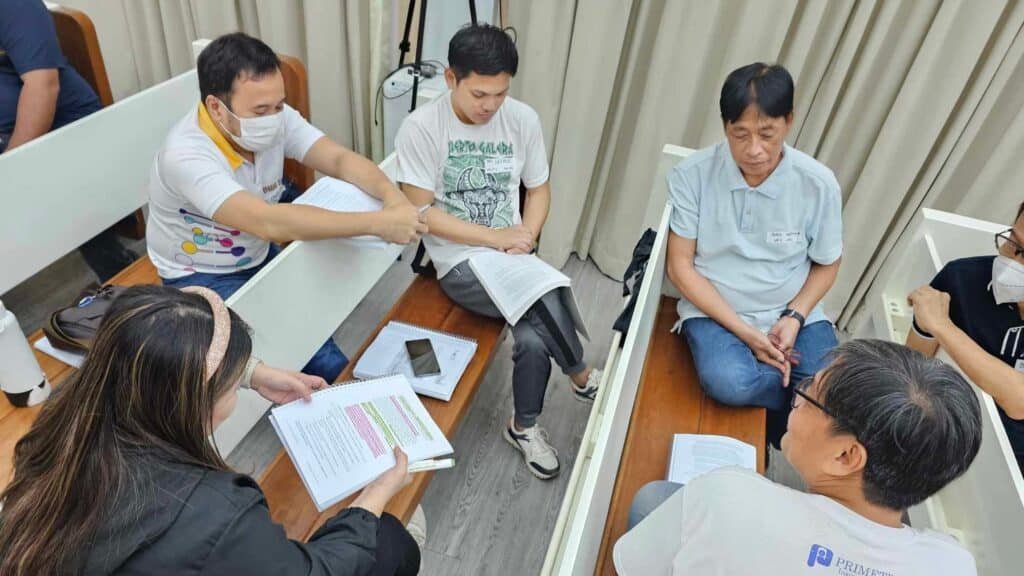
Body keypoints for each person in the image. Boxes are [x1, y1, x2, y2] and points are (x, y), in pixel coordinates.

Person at [0, 285, 421, 575]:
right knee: (399, 534)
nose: (238, 389)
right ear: (193, 400)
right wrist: (375, 495)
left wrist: (253, 374)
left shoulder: (68, 414)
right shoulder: (214, 514)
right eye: (231, 383)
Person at [148, 32, 427, 384]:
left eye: (279, 104)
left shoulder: (275, 118)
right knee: (275, 353)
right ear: (216, 107)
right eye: (261, 110)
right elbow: (268, 222)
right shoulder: (186, 155)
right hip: (199, 272)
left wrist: (393, 197)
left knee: (312, 340)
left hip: (257, 251)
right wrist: (377, 223)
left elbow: (338, 159)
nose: (274, 116)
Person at [394, 24, 601, 481]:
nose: (490, 106)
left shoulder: (522, 119)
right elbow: (421, 213)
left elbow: (539, 188)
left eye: (500, 94)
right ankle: (582, 375)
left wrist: (526, 232)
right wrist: (496, 239)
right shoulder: (421, 128)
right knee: (541, 296)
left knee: (531, 337)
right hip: (458, 262)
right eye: (480, 94)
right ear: (451, 79)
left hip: (512, 256)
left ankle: (523, 427)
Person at [616, 339, 981, 575]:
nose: (796, 396)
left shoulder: (728, 496)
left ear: (845, 456)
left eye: (809, 395)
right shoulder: (953, 565)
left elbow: (632, 566)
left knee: (654, 500)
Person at [665, 62, 842, 443]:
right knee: (728, 381)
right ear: (725, 126)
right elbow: (680, 267)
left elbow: (828, 264)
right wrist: (748, 334)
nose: (754, 150)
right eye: (739, 134)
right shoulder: (692, 175)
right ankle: (792, 405)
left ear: (789, 121)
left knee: (832, 389)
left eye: (767, 133)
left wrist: (795, 316)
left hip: (792, 311)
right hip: (716, 310)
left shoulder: (818, 184)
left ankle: (790, 408)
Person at [0, 0, 136, 281]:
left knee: (94, 238)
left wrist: (8, 172)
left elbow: (43, 86)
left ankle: (118, 270)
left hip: (57, 132)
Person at [906, 202, 1024, 471]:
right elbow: (912, 361)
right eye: (1012, 242)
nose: (1013, 262)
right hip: (951, 430)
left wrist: (942, 326)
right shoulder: (962, 278)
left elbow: (1020, 401)